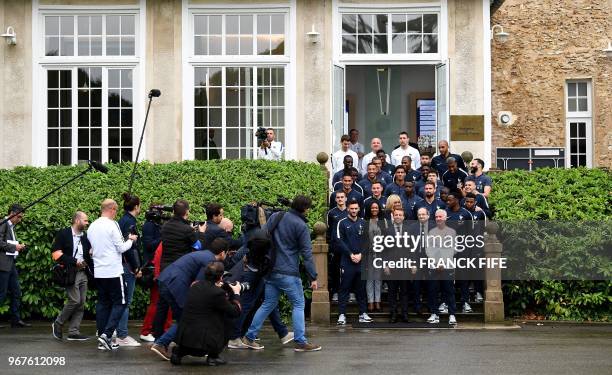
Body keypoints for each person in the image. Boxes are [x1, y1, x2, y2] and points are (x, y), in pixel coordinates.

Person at [243, 195, 321, 352]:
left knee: (268, 304)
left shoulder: (278, 216)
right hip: (289, 271)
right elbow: (306, 254)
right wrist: (313, 276)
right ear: (305, 209)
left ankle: (249, 337)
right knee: (299, 304)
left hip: (271, 269)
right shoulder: (301, 226)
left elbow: (262, 234)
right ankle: (300, 341)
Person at [150, 238, 229, 361]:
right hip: (176, 284)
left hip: (165, 278)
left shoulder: (203, 254)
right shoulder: (211, 261)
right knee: (185, 318)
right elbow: (197, 284)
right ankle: (161, 343)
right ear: (222, 253)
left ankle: (160, 339)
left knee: (163, 312)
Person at [226, 230, 294, 350]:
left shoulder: (258, 236)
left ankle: (282, 333)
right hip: (256, 273)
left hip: (251, 270)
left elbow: (244, 251)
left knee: (267, 302)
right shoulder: (269, 243)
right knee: (249, 304)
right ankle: (234, 337)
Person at [88, 199, 138, 350]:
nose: (116, 214)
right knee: (120, 302)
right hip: (114, 271)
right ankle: (107, 334)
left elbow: (92, 248)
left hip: (99, 271)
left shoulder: (92, 226)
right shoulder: (112, 225)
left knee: (103, 303)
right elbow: (121, 248)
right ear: (112, 209)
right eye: (116, 211)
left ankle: (103, 338)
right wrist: (131, 240)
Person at [153, 200, 206, 343]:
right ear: (187, 212)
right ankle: (181, 337)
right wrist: (200, 233)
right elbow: (198, 247)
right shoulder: (187, 230)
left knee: (162, 306)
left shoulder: (165, 226)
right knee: (182, 306)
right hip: (180, 271)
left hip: (165, 269)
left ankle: (158, 337)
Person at [171, 261, 242, 366]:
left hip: (184, 341)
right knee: (228, 320)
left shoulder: (194, 285)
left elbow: (206, 298)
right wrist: (236, 293)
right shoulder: (218, 293)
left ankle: (178, 353)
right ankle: (213, 356)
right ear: (221, 277)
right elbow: (235, 312)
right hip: (203, 345)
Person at [51, 211, 93, 341]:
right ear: (77, 220)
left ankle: (74, 332)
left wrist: (90, 254)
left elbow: (89, 253)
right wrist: (75, 262)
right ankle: (58, 323)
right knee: (74, 300)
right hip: (70, 272)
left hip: (83, 273)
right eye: (85, 221)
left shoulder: (85, 237)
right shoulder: (64, 234)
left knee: (81, 303)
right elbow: (56, 254)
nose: (87, 223)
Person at [335, 200, 372, 325]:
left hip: (361, 261)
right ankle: (341, 314)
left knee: (361, 289)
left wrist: (361, 255)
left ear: (359, 209)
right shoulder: (342, 223)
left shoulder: (364, 223)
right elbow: (339, 241)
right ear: (348, 209)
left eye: (356, 208)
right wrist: (351, 255)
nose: (354, 210)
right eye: (352, 208)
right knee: (344, 288)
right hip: (347, 261)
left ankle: (363, 313)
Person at [116, 193, 143, 347]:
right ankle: (122, 334)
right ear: (136, 206)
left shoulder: (123, 220)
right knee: (126, 300)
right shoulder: (129, 222)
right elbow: (130, 248)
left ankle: (115, 330)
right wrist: (135, 267)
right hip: (127, 266)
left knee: (118, 300)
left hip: (122, 264)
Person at [426, 210, 457, 325]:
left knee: (449, 291)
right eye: (436, 216)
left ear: (445, 218)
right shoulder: (432, 232)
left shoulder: (451, 232)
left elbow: (452, 249)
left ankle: (452, 315)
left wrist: (442, 263)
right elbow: (429, 249)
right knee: (433, 291)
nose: (438, 218)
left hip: (447, 266)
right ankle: (434, 314)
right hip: (434, 266)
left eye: (440, 216)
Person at [0, 204, 29, 328]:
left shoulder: (11, 226)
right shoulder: (3, 223)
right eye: (19, 217)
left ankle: (15, 320)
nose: (20, 220)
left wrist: (18, 247)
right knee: (2, 293)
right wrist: (14, 247)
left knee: (16, 291)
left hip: (10, 264)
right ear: (12, 214)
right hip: (3, 264)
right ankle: (15, 319)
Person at [445, 191, 473, 314]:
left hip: (462, 250)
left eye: (450, 200)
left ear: (456, 200)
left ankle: (465, 302)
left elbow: (470, 234)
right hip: (447, 251)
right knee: (447, 277)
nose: (447, 202)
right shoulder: (445, 213)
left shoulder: (466, 214)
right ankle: (445, 302)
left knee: (463, 277)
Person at [385, 208, 411, 323]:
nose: (398, 217)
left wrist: (413, 264)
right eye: (396, 215)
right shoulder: (387, 230)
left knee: (405, 292)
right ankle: (393, 314)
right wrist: (385, 265)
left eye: (400, 215)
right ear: (393, 216)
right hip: (391, 266)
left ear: (403, 217)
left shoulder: (408, 230)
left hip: (405, 265)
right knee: (392, 292)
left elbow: (412, 249)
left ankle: (405, 314)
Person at [363, 201, 386, 313]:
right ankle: (370, 301)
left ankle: (378, 301)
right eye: (372, 208)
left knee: (378, 278)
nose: (374, 209)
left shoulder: (384, 222)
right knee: (369, 278)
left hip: (381, 253)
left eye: (376, 207)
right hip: (369, 253)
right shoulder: (365, 222)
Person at [327, 191, 348, 303]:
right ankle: (335, 292)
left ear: (345, 199)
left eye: (342, 197)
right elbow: (329, 231)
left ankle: (350, 292)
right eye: (338, 197)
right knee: (335, 270)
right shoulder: (331, 213)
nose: (340, 199)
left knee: (348, 270)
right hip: (335, 247)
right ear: (335, 200)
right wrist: (331, 246)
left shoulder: (350, 211)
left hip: (348, 247)